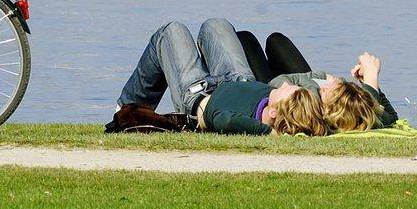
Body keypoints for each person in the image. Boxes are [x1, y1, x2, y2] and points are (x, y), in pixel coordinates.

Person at [117, 18, 327, 136]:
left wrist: (270, 134)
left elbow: (223, 119)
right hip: (239, 79)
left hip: (198, 95)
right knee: (216, 25)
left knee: (171, 31)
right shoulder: (288, 105)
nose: (286, 84)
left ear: (273, 112)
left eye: (286, 90)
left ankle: (128, 108)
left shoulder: (238, 121)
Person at [237, 30, 398, 131]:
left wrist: (314, 82)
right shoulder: (361, 115)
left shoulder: (314, 115)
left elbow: (278, 82)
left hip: (275, 94)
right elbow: (391, 116)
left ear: (326, 111)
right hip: (299, 84)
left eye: (328, 92)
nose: (325, 88)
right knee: (276, 40)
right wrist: (369, 82)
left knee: (245, 39)